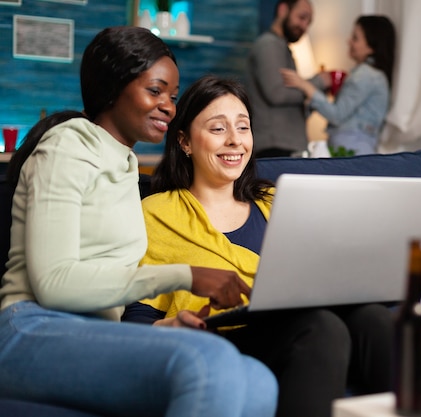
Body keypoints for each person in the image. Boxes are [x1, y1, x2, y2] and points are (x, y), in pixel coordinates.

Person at [0, 26, 277, 417]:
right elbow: (54, 285)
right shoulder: (68, 145)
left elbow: (109, 298)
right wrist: (187, 275)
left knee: (258, 379)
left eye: (173, 97)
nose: (169, 106)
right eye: (155, 91)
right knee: (207, 361)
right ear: (114, 87)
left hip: (96, 333)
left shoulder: (127, 167)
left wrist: (169, 329)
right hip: (29, 327)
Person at [122, 75, 394, 417]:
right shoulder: (157, 215)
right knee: (321, 327)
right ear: (185, 141)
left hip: (292, 328)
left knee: (374, 319)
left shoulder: (279, 201)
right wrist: (173, 325)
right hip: (219, 339)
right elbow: (135, 323)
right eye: (218, 129)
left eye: (243, 127)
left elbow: (319, 275)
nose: (235, 141)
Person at [281, 15, 396, 155]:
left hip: (352, 150)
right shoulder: (373, 75)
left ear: (371, 47)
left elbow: (337, 115)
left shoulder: (366, 75)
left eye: (355, 38)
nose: (349, 41)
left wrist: (306, 86)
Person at [244, 0, 329, 158]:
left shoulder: (281, 46)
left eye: (308, 22)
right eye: (301, 17)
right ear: (283, 10)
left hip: (283, 146)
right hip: (274, 147)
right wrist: (316, 83)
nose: (304, 26)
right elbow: (277, 93)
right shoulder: (269, 45)